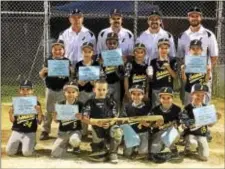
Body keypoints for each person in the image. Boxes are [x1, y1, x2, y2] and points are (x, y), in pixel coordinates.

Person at [177, 6, 218, 105]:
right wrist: (183, 69)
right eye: (192, 16)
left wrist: (208, 70)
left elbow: (214, 56)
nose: (194, 18)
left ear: (201, 17)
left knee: (203, 100)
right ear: (188, 18)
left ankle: (203, 117)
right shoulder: (183, 35)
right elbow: (180, 56)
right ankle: (189, 116)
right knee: (188, 99)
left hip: (203, 73)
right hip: (189, 74)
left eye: (197, 16)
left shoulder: (208, 34)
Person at [81, 80, 123, 163]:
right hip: (96, 128)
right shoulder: (89, 102)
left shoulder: (111, 102)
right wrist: (95, 123)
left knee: (118, 132)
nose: (101, 92)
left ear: (107, 90)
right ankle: (101, 149)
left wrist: (110, 123)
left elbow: (115, 116)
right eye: (99, 89)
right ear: (94, 90)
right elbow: (84, 118)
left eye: (104, 90)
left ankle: (113, 152)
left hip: (110, 126)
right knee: (99, 153)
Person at [39, 40, 73, 140]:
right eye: (55, 49)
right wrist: (43, 72)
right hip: (50, 89)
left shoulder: (67, 61)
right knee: (49, 111)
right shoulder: (48, 60)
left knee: (63, 110)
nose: (57, 51)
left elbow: (71, 76)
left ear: (64, 50)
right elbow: (42, 75)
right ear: (52, 50)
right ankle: (45, 130)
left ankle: (63, 130)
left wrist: (71, 71)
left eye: (60, 49)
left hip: (63, 90)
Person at [180, 83, 220, 161]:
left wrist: (216, 119)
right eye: (197, 95)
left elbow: (210, 125)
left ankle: (199, 147)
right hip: (191, 134)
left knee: (204, 157)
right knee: (193, 143)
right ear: (192, 95)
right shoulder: (187, 108)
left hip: (202, 134)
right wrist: (192, 122)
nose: (200, 97)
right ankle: (188, 149)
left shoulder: (206, 108)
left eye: (202, 95)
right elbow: (184, 123)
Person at [6, 80, 43, 156]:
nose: (25, 92)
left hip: (30, 131)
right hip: (17, 131)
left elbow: (39, 121)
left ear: (32, 91)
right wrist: (10, 113)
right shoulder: (16, 103)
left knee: (27, 153)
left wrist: (39, 112)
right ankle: (21, 144)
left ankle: (31, 143)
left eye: (28, 89)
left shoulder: (36, 103)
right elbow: (13, 121)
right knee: (9, 152)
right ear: (20, 91)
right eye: (23, 89)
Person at [149, 87, 182, 163]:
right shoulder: (155, 110)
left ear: (172, 98)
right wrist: (156, 125)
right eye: (163, 98)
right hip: (158, 132)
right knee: (153, 152)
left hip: (170, 131)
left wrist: (175, 125)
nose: (166, 100)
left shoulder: (177, 109)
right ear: (159, 98)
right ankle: (163, 147)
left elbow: (180, 121)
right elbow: (150, 125)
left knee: (176, 133)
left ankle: (172, 148)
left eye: (168, 98)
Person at [51, 81, 83, 158]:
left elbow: (85, 119)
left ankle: (75, 146)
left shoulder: (80, 104)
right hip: (63, 132)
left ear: (77, 93)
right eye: (68, 92)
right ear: (64, 93)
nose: (70, 94)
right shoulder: (60, 104)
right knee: (55, 153)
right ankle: (66, 144)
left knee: (74, 140)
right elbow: (56, 121)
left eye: (73, 92)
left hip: (75, 131)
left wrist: (81, 117)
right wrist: (55, 116)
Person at [121, 85, 151, 159]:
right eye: (133, 94)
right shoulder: (127, 106)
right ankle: (133, 147)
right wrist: (125, 122)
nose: (136, 96)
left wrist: (147, 124)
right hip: (131, 133)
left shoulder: (147, 107)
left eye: (139, 94)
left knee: (143, 154)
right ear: (130, 95)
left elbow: (151, 122)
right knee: (127, 154)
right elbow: (122, 119)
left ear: (143, 95)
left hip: (143, 132)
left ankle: (139, 148)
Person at [98, 32, 125, 109]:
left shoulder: (120, 55)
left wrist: (122, 64)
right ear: (106, 44)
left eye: (114, 43)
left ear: (117, 44)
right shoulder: (102, 55)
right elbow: (98, 71)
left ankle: (116, 119)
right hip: (105, 83)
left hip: (116, 82)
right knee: (105, 102)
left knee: (116, 102)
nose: (112, 45)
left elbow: (123, 75)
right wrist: (100, 63)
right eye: (110, 43)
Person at [181, 39, 211, 106]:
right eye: (193, 49)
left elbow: (206, 80)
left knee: (200, 109)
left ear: (201, 50)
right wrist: (183, 71)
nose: (195, 51)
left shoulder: (204, 63)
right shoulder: (187, 63)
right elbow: (184, 80)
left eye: (198, 48)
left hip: (200, 92)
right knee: (188, 109)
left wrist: (208, 71)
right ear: (189, 50)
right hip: (189, 91)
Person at [148, 38, 177, 107]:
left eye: (166, 48)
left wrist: (168, 68)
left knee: (168, 108)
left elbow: (175, 76)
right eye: (161, 48)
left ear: (169, 49)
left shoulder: (173, 60)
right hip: (156, 89)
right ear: (158, 49)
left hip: (168, 89)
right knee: (156, 109)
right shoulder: (153, 61)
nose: (164, 50)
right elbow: (151, 78)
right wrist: (149, 75)